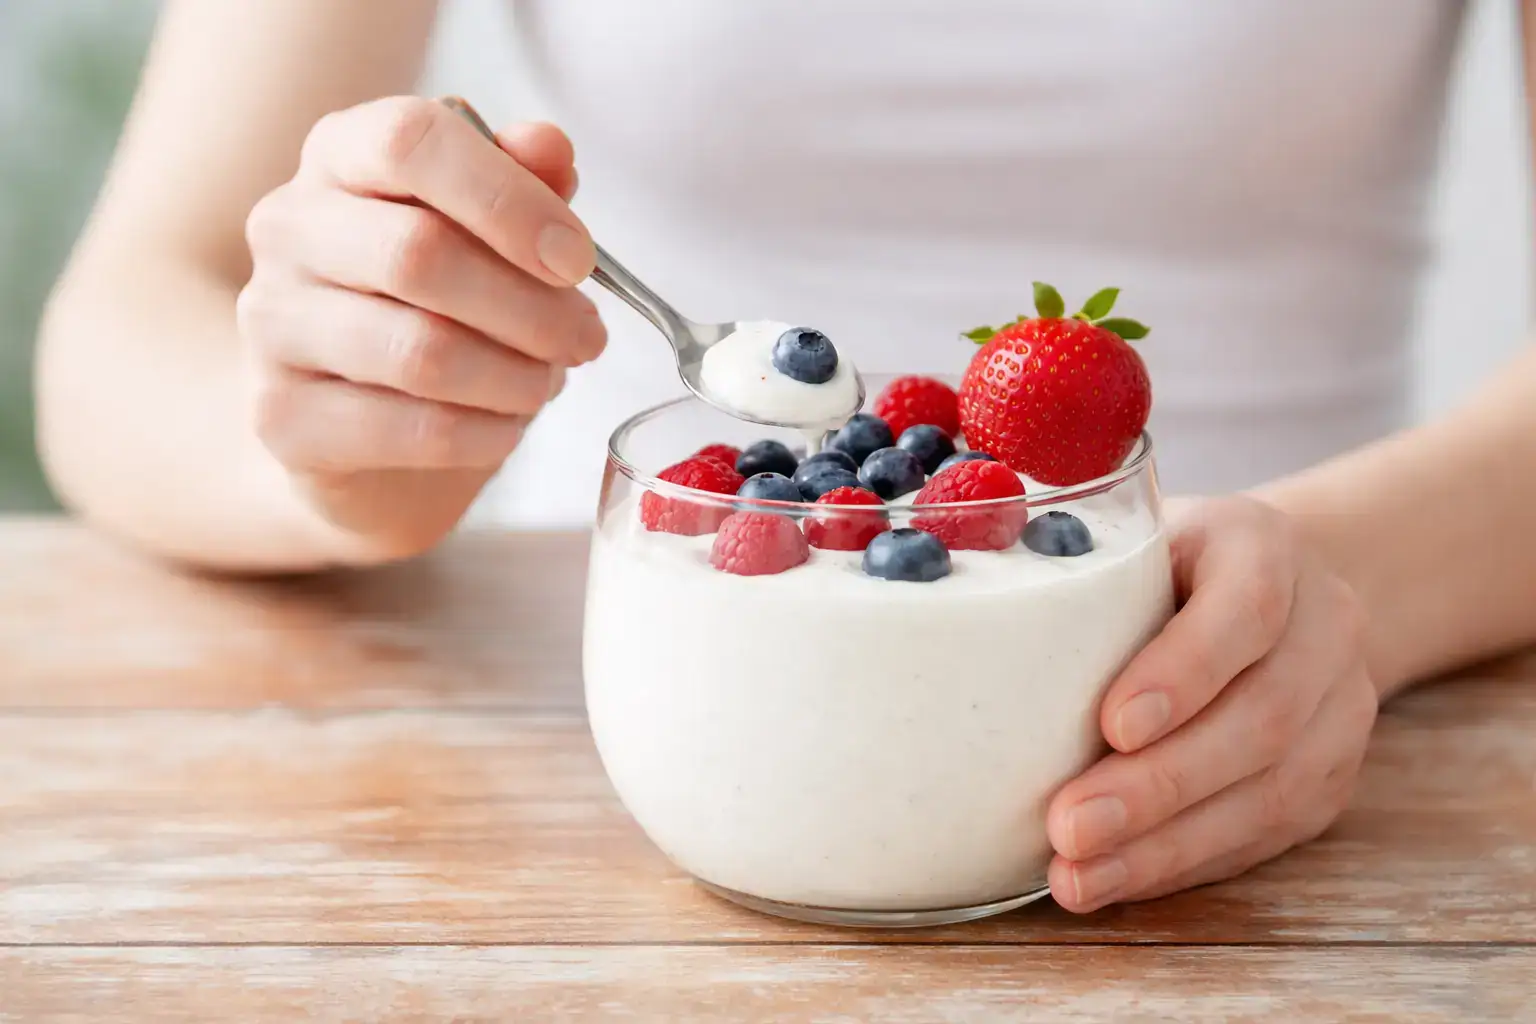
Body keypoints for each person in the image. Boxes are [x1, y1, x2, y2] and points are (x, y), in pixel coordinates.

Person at [33, 0, 1536, 914]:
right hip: (640, 703)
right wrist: (331, 442)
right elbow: (123, 327)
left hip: (1305, 730)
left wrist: (1349, 585)